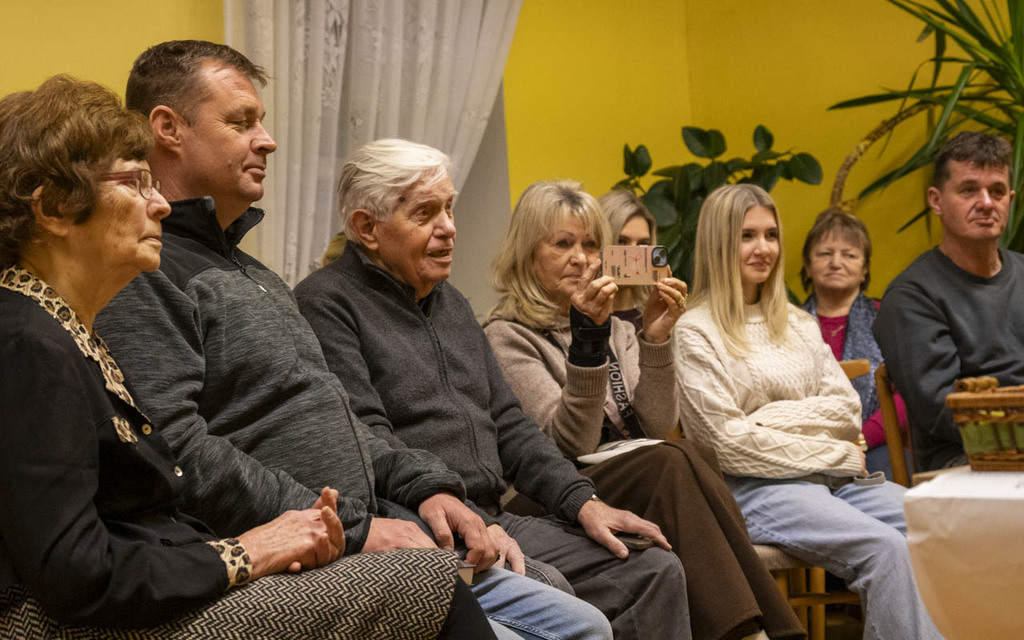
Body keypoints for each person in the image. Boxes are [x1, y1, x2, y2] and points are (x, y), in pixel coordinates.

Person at [94, 40, 610, 640]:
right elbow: (174, 448)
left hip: (374, 519)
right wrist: (352, 529)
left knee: (580, 619)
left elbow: (338, 417)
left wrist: (426, 486)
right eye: (241, 122)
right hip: (292, 547)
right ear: (168, 129)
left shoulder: (254, 274)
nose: (268, 141)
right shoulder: (146, 272)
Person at [0, 75, 489, 640]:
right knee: (426, 581)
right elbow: (78, 574)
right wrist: (245, 552)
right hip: (77, 620)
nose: (160, 204)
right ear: (55, 208)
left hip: (158, 575)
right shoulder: (27, 342)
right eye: (135, 183)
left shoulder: (62, 329)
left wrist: (277, 540)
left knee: (441, 574)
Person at [294, 138, 692, 640]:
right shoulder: (326, 304)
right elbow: (364, 439)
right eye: (425, 213)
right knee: (557, 590)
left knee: (653, 568)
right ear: (366, 228)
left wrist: (583, 502)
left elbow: (510, 424)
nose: (449, 228)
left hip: (495, 515)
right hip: (426, 527)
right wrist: (462, 515)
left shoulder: (452, 304)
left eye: (449, 209)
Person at [483, 180, 806, 640]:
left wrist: (655, 339)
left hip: (620, 473)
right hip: (551, 493)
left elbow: (654, 424)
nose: (581, 258)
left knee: (690, 452)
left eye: (590, 245)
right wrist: (587, 344)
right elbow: (566, 446)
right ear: (527, 254)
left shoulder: (617, 327)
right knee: (669, 460)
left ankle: (754, 632)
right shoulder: (507, 335)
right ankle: (762, 632)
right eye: (562, 244)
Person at [675, 184, 943, 640]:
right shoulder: (695, 330)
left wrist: (764, 420)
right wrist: (835, 451)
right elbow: (726, 445)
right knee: (885, 549)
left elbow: (846, 410)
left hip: (835, 480)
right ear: (718, 242)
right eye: (747, 236)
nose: (764, 248)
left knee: (939, 529)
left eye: (771, 235)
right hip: (757, 490)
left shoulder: (798, 322)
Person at [874, 131, 1024, 472]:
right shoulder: (912, 297)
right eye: (969, 190)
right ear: (936, 200)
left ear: (1010, 200)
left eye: (997, 191)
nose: (986, 203)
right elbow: (942, 411)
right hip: (962, 460)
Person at [799, 210, 908, 478]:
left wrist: (862, 439)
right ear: (808, 265)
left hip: (875, 445)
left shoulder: (886, 318)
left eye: (849, 255)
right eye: (825, 254)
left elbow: (907, 392)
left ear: (865, 268)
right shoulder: (787, 325)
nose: (836, 263)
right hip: (803, 448)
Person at [598, 188, 658, 331]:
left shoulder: (656, 315)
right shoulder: (577, 316)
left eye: (642, 244)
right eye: (622, 241)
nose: (634, 255)